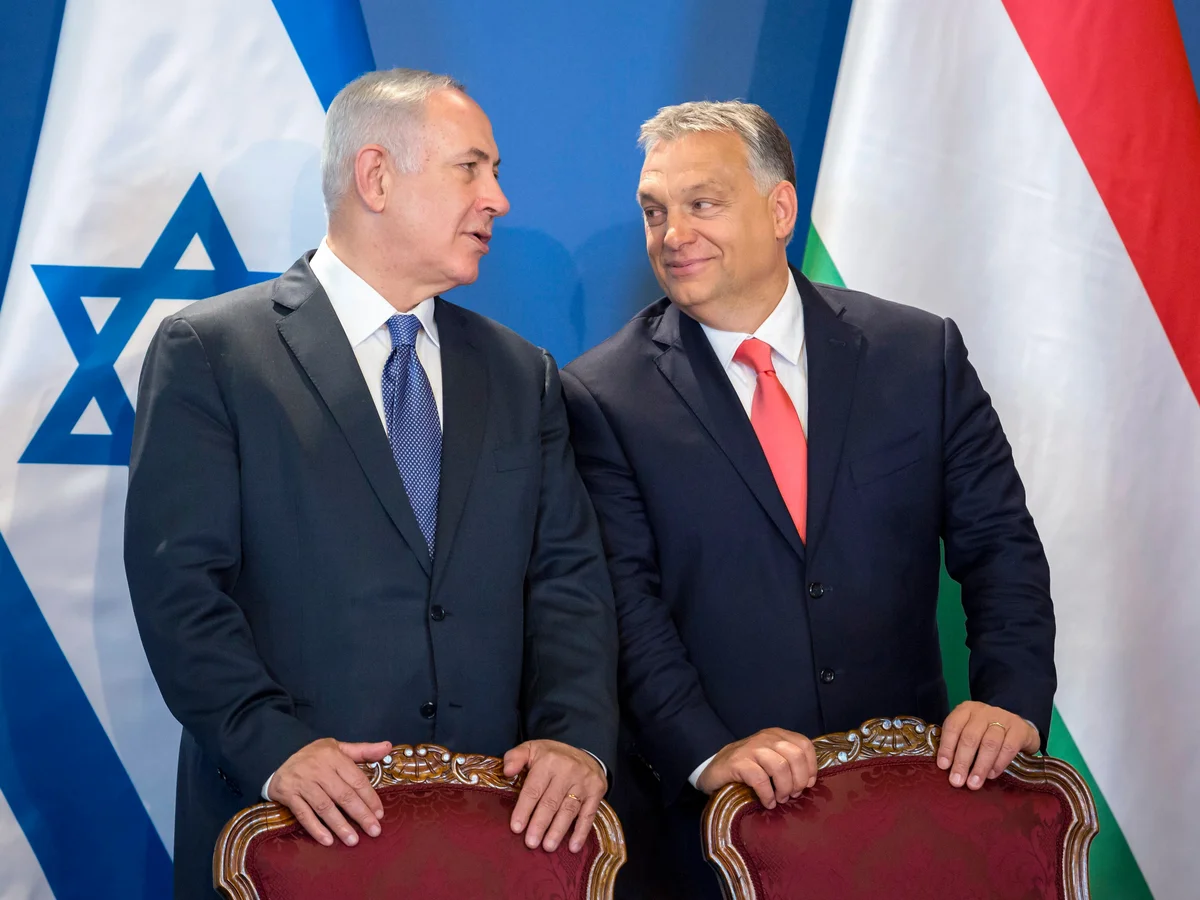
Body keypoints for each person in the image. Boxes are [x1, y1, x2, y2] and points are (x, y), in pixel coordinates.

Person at [125, 69, 617, 898]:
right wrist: (272, 748)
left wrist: (576, 739)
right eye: (471, 168)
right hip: (286, 830)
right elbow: (180, 589)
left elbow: (567, 579)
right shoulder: (213, 352)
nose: (498, 200)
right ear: (376, 177)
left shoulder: (519, 371)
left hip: (496, 836)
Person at [561, 100, 1056, 898]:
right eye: (655, 211)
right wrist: (709, 751)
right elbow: (624, 605)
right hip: (716, 832)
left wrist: (1012, 700)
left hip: (917, 803)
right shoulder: (600, 395)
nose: (673, 234)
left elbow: (1000, 545)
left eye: (702, 203)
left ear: (780, 209)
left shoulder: (918, 354)